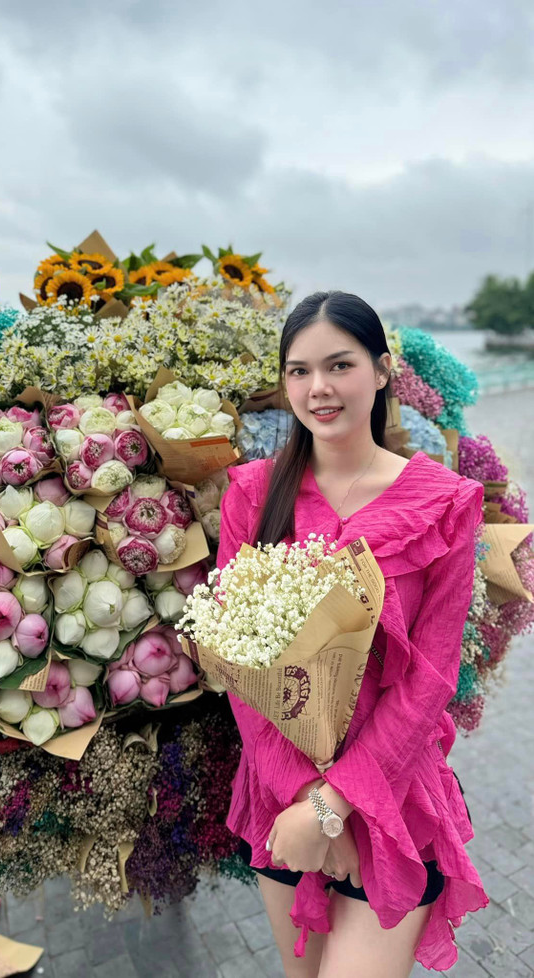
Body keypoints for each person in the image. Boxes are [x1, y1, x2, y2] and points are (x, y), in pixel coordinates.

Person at [217, 291, 488, 978]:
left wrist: (333, 805)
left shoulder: (447, 503)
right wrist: (302, 799)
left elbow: (431, 679)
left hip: (390, 795)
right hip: (280, 793)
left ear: (381, 369)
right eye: (299, 371)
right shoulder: (252, 494)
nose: (319, 388)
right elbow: (238, 668)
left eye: (339, 365)